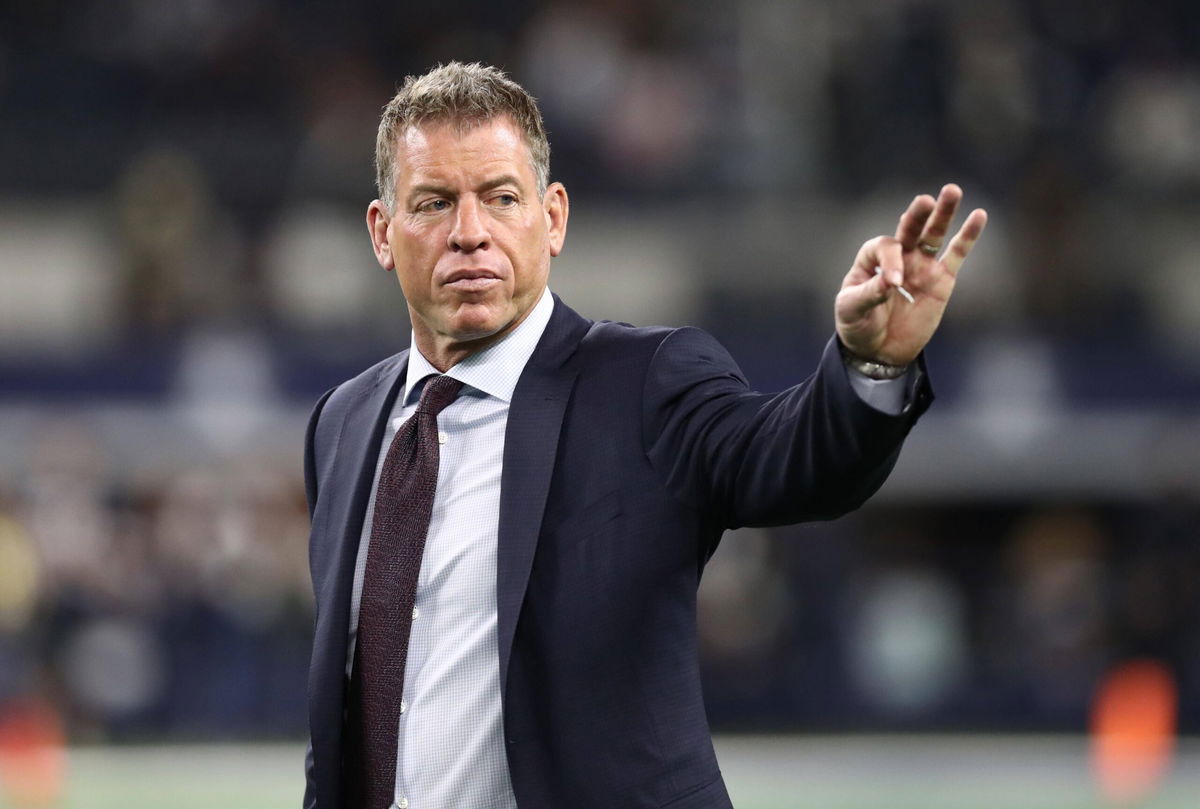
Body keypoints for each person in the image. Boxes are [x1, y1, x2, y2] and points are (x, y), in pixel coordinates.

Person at [302, 62, 986, 809]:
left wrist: (870, 363)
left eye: (500, 198)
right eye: (434, 203)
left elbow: (795, 459)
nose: (471, 234)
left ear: (552, 217)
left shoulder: (644, 382)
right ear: (381, 230)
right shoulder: (345, 422)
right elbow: (347, 709)